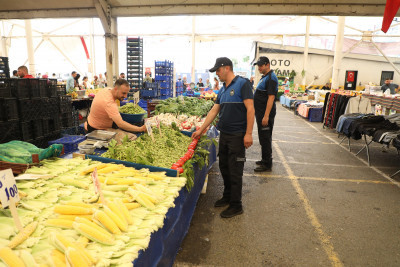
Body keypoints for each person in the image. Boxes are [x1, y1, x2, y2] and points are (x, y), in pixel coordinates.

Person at [192, 57, 254, 218]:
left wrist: (248, 133)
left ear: (226, 68)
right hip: (225, 134)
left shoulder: (243, 84)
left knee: (235, 171)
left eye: (218, 71)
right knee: (225, 168)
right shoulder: (224, 89)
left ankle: (236, 204)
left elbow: (250, 109)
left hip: (238, 136)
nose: (217, 74)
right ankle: (227, 196)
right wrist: (201, 129)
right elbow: (214, 110)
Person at [253, 56, 279, 172]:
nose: (259, 68)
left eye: (261, 65)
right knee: (263, 137)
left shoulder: (271, 79)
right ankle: (264, 159)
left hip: (265, 114)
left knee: (266, 137)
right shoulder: (265, 77)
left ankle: (267, 164)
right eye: (258, 65)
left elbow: (271, 98)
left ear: (267, 65)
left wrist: (266, 116)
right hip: (260, 113)